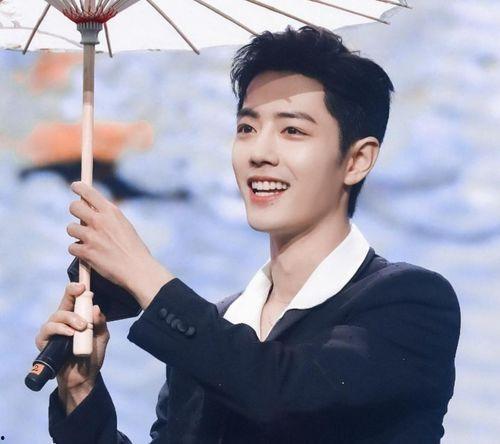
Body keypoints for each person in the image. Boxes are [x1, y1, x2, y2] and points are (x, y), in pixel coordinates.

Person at [36, 26, 461, 443]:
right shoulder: (216, 327)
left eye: (292, 130)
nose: (259, 152)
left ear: (357, 160)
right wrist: (80, 394)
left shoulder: (410, 302)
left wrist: (141, 273)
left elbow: (285, 395)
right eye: (247, 128)